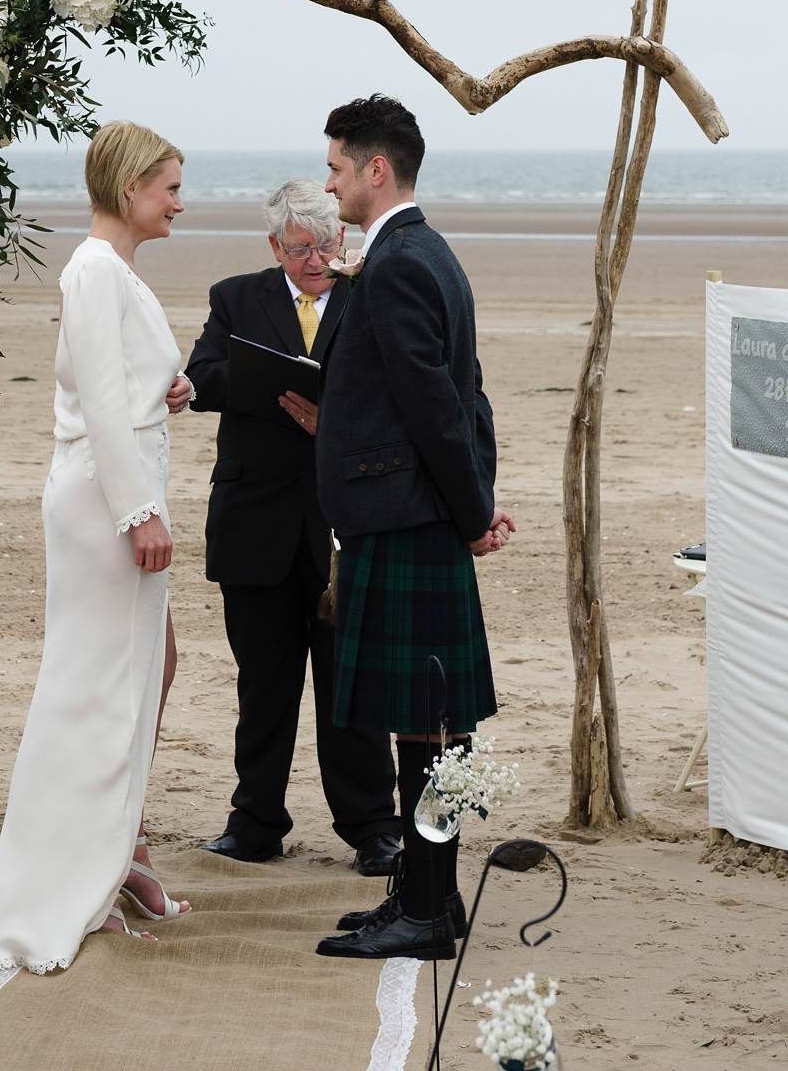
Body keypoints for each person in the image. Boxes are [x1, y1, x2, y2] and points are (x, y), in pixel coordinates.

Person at [299, 97, 514, 962]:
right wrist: (476, 499)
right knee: (429, 724)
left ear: (375, 169)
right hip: (417, 519)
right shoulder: (423, 255)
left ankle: (425, 914)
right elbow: (468, 397)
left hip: (408, 525)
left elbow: (438, 407)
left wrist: (469, 515)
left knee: (425, 728)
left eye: (338, 167)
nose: (330, 181)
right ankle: (429, 897)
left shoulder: (396, 264)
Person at [0, 120, 195, 973]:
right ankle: (54, 894)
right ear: (129, 185)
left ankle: (106, 868)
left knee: (142, 674)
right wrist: (139, 512)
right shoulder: (94, 268)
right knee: (92, 692)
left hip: (115, 486)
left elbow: (116, 387)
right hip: (107, 500)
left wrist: (166, 389)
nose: (180, 201)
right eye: (170, 187)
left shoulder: (114, 272)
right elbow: (101, 408)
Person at [186, 179, 399, 873]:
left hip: (345, 524)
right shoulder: (235, 297)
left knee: (352, 689)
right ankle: (255, 825)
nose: (316, 260)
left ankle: (372, 828)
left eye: (328, 244)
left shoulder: (371, 295)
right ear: (275, 246)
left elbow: (395, 392)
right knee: (263, 687)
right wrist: (268, 388)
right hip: (257, 522)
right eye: (301, 248)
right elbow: (202, 380)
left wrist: (329, 410)